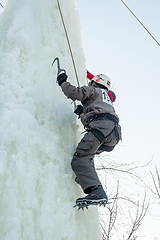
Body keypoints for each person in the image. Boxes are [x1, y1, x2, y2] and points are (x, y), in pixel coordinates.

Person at [56, 70, 121, 205]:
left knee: (80, 158)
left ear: (95, 82)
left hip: (101, 129)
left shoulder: (93, 90)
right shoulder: (107, 98)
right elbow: (98, 114)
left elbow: (73, 92)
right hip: (113, 135)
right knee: (88, 155)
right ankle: (85, 177)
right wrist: (82, 114)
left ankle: (96, 190)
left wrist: (62, 82)